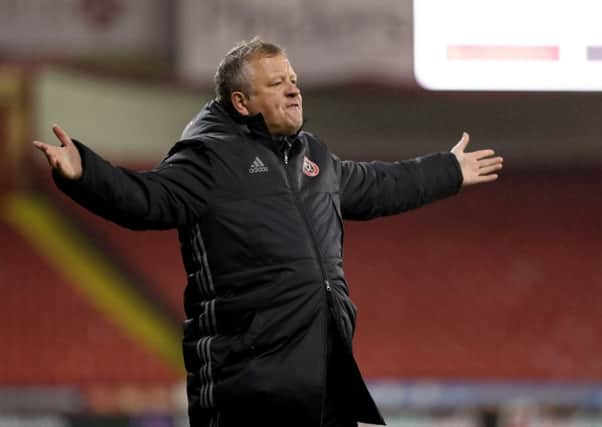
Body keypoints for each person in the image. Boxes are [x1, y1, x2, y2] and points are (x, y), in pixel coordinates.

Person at [34, 38, 503, 427]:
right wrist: (84, 174)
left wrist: (448, 171)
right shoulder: (208, 159)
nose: (294, 90)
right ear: (242, 102)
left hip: (324, 379)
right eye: (276, 84)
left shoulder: (313, 159)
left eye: (294, 81)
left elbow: (381, 185)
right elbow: (147, 199)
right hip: (248, 387)